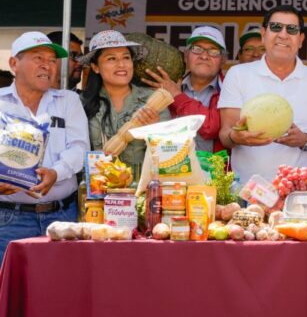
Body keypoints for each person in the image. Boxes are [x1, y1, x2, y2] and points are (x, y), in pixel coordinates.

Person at [218, 5, 307, 181]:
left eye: (292, 29)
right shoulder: (238, 74)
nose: (283, 35)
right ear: (264, 34)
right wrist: (237, 136)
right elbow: (225, 133)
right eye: (276, 27)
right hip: (247, 191)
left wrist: (304, 140)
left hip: (300, 192)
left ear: (301, 39)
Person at [0, 32, 89, 258]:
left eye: (51, 60)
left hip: (62, 217)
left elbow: (80, 148)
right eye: (38, 58)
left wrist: (55, 173)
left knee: (59, 288)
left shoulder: (68, 100)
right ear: (14, 64)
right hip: (8, 219)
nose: (47, 66)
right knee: (7, 289)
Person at [79, 30, 170, 168]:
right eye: (111, 59)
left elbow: (169, 153)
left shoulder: (154, 100)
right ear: (95, 67)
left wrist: (155, 131)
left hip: (141, 187)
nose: (121, 65)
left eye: (126, 57)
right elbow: (74, 152)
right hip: (97, 186)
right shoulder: (81, 103)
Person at [143, 26, 226, 154]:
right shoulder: (165, 86)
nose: (204, 56)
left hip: (216, 173)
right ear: (186, 56)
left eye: (213, 51)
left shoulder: (230, 89)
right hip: (170, 169)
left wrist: (177, 96)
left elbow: (211, 127)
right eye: (197, 49)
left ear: (222, 61)